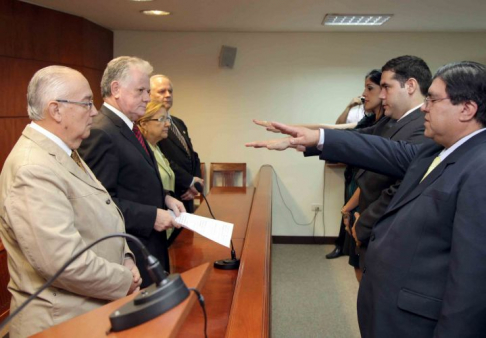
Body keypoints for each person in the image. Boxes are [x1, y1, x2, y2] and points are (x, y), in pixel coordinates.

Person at [247, 61, 486, 337]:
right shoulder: (434, 150)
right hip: (390, 307)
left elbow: (472, 282)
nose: (424, 107)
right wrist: (316, 138)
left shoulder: (479, 166)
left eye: (431, 99)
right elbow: (377, 147)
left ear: (467, 109)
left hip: (419, 321)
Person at [0, 66, 141, 337]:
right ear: (56, 110)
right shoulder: (33, 168)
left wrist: (126, 257)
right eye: (87, 103)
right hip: (60, 323)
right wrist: (124, 280)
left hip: (88, 312)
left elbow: (103, 210)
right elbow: (63, 262)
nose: (94, 112)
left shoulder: (64, 150)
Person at [78, 57, 184, 288]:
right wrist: (151, 216)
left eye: (147, 90)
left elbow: (134, 180)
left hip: (147, 245)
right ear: (116, 89)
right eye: (141, 90)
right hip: (130, 252)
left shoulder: (129, 125)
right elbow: (98, 204)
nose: (148, 97)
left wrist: (165, 196)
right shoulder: (102, 132)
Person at [150, 75, 203, 216]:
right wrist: (189, 181)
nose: (167, 95)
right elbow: (162, 160)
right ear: (148, 94)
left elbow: (192, 155)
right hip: (170, 194)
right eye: (162, 91)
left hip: (188, 195)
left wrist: (196, 183)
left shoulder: (178, 122)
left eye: (170, 91)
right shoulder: (150, 124)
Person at [137, 101, 178, 243]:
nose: (167, 124)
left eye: (168, 119)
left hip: (166, 228)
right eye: (161, 119)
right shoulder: (140, 151)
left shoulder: (157, 148)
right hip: (151, 230)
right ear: (143, 123)